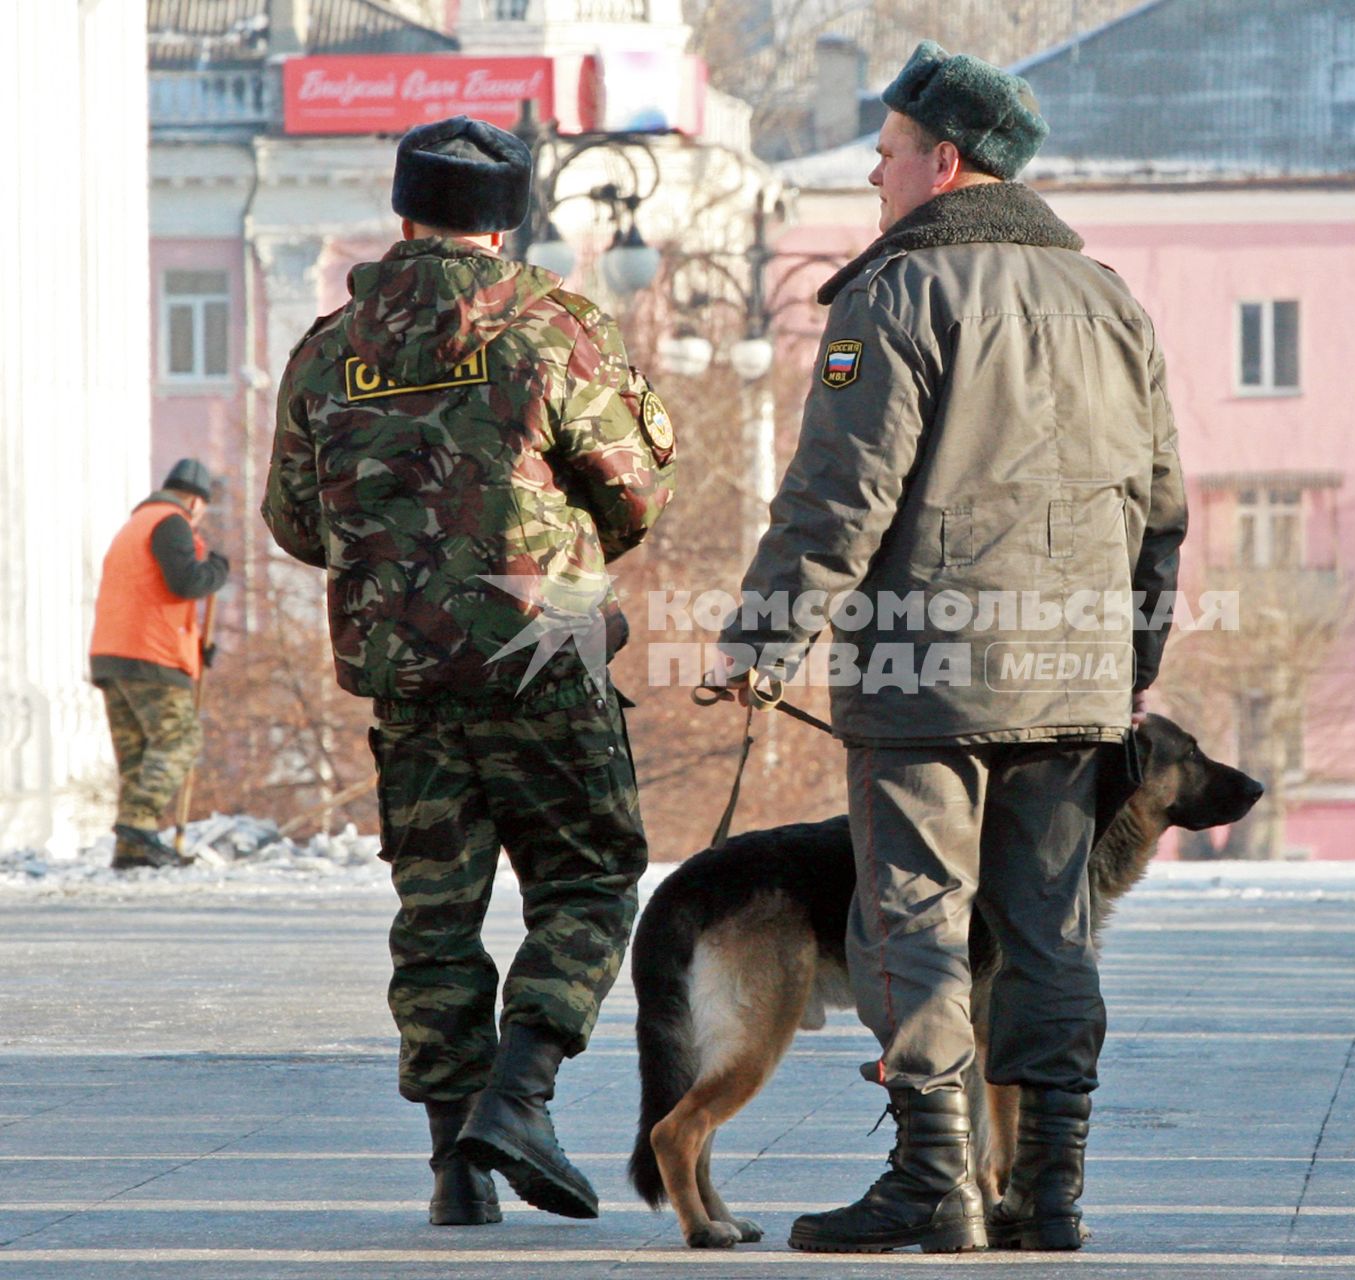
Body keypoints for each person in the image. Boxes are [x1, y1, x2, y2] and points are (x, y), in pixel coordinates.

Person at [710, 42, 1187, 1254]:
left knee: (914, 917)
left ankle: (936, 1183)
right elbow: (1161, 503)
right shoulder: (1111, 299)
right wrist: (1129, 662)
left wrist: (762, 638)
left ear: (946, 160)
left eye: (886, 153)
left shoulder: (896, 295)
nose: (874, 173)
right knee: (1048, 929)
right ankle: (1052, 1191)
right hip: (1075, 678)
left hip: (925, 673)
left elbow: (838, 492)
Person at [262, 115, 676, 1228]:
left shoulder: (327, 346)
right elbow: (636, 493)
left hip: (404, 678)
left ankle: (456, 1163)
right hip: (547, 658)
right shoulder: (557, 327)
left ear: (404, 214)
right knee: (591, 876)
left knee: (436, 911)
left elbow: (295, 521)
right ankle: (522, 1091)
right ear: (508, 224)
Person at [89, 458, 228, 870]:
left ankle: (132, 848)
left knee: (138, 754)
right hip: (150, 657)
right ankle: (137, 827)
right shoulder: (171, 521)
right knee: (179, 740)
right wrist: (218, 570)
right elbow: (186, 582)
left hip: (114, 654)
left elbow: (150, 599)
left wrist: (195, 652)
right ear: (194, 500)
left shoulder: (136, 525)